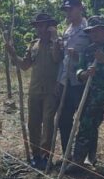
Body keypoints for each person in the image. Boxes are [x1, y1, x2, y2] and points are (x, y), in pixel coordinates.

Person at [6, 13, 62, 169]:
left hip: (51, 91)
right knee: (33, 124)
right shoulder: (33, 45)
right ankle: (36, 154)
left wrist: (55, 38)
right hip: (35, 90)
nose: (40, 29)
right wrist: (12, 53)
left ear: (50, 26)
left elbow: (57, 59)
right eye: (38, 25)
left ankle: (45, 156)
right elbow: (24, 66)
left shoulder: (57, 43)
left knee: (48, 124)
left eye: (43, 25)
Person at [70, 17, 104, 173]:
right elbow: (79, 69)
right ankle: (79, 160)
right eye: (91, 31)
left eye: (97, 30)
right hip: (92, 95)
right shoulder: (88, 50)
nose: (94, 34)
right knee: (86, 125)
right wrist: (84, 74)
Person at [57, 0, 90, 155]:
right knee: (64, 119)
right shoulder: (67, 30)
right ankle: (67, 154)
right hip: (65, 80)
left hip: (81, 81)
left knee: (84, 120)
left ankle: (86, 154)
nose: (68, 13)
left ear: (80, 8)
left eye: (70, 9)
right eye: (66, 10)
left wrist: (78, 56)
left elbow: (92, 54)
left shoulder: (88, 28)